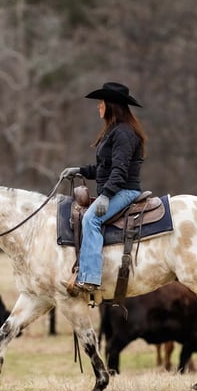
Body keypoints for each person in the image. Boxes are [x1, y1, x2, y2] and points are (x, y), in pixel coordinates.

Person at [60, 81, 147, 295]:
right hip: (116, 189)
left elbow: (119, 171)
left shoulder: (123, 133)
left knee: (91, 219)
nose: (98, 106)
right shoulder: (114, 131)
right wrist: (80, 170)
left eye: (101, 102)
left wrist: (106, 196)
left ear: (111, 105)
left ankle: (90, 278)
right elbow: (104, 168)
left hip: (124, 191)